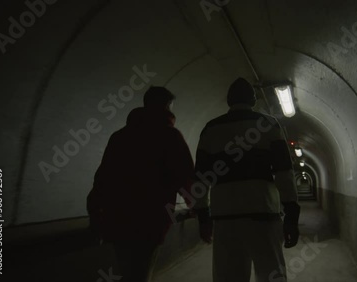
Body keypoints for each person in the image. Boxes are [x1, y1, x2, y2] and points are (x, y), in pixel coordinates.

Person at [192, 77, 301, 282]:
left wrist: (202, 216)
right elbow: (284, 172)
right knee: (271, 274)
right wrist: (292, 213)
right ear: (253, 100)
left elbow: (200, 178)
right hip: (263, 216)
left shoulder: (210, 129)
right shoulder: (268, 124)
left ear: (228, 100)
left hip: (225, 220)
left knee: (228, 277)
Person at [87, 87, 194, 282]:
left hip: (117, 218)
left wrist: (94, 212)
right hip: (151, 220)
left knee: (127, 271)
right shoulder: (170, 136)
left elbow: (102, 178)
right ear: (167, 106)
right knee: (141, 272)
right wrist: (196, 206)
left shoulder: (119, 137)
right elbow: (185, 176)